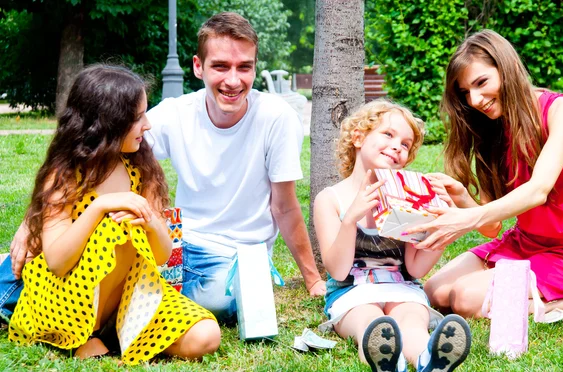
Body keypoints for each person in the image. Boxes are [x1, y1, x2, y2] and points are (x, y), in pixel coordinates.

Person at [2, 12, 325, 324]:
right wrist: (32, 225)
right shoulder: (177, 112)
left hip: (235, 256)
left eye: (245, 67)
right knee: (59, 266)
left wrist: (312, 280)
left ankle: (127, 305)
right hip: (172, 245)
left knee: (222, 301)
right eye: (220, 66)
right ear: (198, 67)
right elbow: (95, 150)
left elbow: (284, 207)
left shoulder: (276, 117)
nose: (233, 80)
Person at [7, 64, 221, 364]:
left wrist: (151, 222)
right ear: (106, 123)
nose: (147, 125)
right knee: (114, 228)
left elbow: (161, 256)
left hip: (131, 295)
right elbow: (56, 262)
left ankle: (122, 329)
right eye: (137, 118)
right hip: (67, 296)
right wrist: (98, 208)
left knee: (206, 335)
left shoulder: (141, 167)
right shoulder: (66, 174)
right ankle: (87, 333)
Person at [405, 30, 563, 317]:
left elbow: (538, 190)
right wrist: (462, 198)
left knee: (465, 299)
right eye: (465, 92)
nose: (475, 100)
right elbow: (491, 227)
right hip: (525, 242)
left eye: (481, 83)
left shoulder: (561, 110)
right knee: (436, 291)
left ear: (505, 68)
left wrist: (465, 220)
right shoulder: (494, 129)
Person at [313, 100, 471, 372]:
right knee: (369, 321)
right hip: (351, 293)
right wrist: (351, 219)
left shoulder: (407, 197)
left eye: (406, 144)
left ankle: (429, 358)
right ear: (358, 137)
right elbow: (337, 271)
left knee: (410, 319)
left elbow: (415, 267)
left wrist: (448, 229)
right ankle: (387, 362)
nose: (398, 146)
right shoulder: (331, 199)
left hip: (402, 287)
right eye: (388, 135)